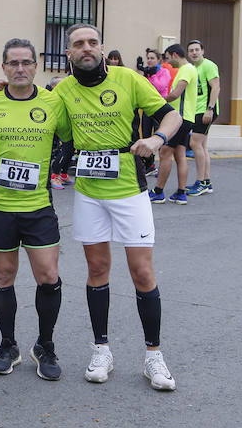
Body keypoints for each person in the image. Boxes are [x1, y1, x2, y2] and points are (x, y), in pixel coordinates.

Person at [51, 23, 181, 390]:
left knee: (142, 272)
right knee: (97, 269)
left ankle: (153, 356)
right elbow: (38, 112)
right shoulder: (63, 90)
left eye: (93, 42)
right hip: (90, 193)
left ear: (102, 47)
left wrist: (156, 139)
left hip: (129, 191)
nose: (87, 48)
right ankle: (101, 350)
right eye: (79, 44)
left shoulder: (127, 78)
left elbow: (172, 115)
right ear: (69, 53)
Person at [0, 39, 71, 380]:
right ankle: (7, 345)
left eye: (26, 62)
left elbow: (70, 138)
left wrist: (62, 169)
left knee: (48, 276)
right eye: (13, 63)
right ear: (4, 68)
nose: (20, 68)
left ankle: (45, 344)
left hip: (38, 206)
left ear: (36, 66)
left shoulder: (53, 103)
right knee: (3, 276)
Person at [150, 44, 196, 205]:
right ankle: (181, 193)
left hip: (180, 119)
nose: (168, 63)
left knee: (164, 152)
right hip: (186, 118)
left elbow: (176, 93)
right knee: (179, 154)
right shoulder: (187, 69)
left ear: (175, 55)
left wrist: (157, 102)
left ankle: (158, 192)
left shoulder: (186, 70)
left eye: (168, 58)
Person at [186, 40, 220, 196]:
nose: (194, 52)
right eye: (191, 50)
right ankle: (207, 180)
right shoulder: (193, 68)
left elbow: (216, 87)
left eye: (197, 50)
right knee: (202, 147)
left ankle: (201, 183)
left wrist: (210, 109)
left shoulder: (208, 65)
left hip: (205, 111)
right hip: (196, 111)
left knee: (194, 143)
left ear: (202, 51)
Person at [138, 49, 171, 175]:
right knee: (146, 136)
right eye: (148, 58)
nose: (149, 60)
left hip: (160, 108)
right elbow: (142, 88)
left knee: (159, 136)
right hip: (147, 108)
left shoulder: (164, 72)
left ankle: (162, 165)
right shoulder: (147, 72)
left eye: (152, 58)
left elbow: (160, 87)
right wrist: (144, 73)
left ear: (158, 60)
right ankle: (149, 164)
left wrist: (152, 75)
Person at [46, 76, 75, 190]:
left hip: (68, 127)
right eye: (61, 84)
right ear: (53, 86)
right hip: (56, 128)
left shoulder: (63, 95)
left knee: (71, 150)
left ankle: (63, 175)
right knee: (65, 151)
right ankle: (54, 176)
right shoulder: (50, 96)